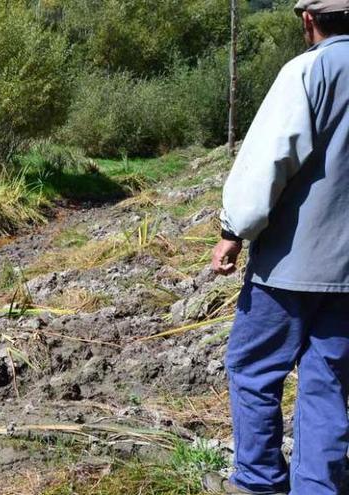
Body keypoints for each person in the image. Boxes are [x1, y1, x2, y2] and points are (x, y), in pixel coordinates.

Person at [206, 1, 349, 493]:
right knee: (327, 379)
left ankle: (259, 481)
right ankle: (319, 487)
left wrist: (233, 231)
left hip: (289, 267)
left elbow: (271, 157)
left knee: (252, 368)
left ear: (309, 20)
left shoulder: (308, 71)